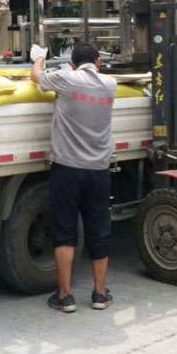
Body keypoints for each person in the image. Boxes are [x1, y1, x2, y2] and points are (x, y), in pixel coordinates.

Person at [30, 42, 117, 313]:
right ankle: (100, 294)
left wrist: (39, 58)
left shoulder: (67, 79)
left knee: (65, 232)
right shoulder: (110, 84)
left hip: (67, 169)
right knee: (99, 230)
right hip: (99, 171)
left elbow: (36, 78)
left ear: (72, 64)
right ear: (98, 62)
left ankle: (65, 297)